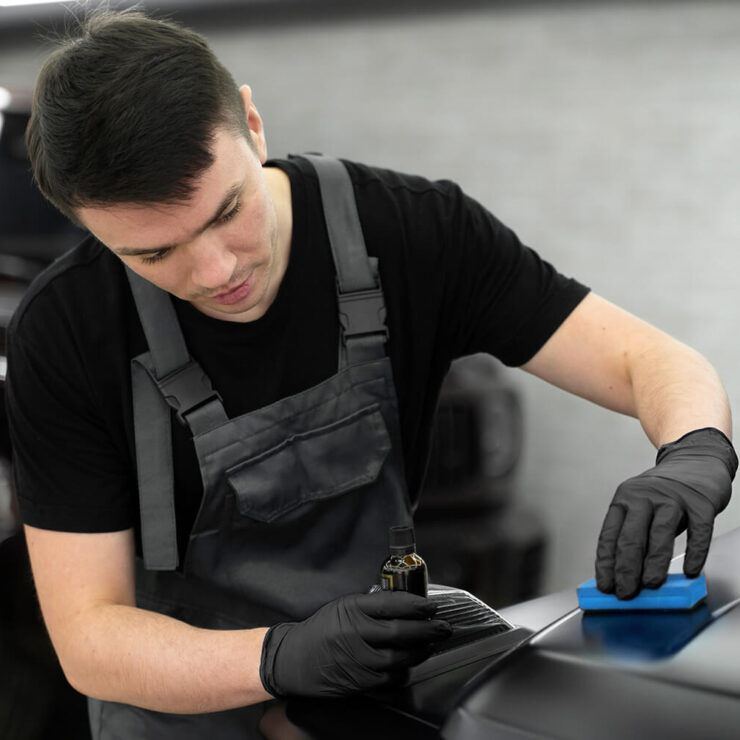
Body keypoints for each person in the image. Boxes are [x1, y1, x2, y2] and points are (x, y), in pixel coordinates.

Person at [8, 8, 736, 739]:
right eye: (154, 254)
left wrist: (695, 448)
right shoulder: (66, 332)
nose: (215, 271)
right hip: (179, 711)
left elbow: (648, 360)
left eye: (227, 212)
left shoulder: (414, 229)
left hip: (373, 688)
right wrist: (280, 658)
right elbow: (90, 639)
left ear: (253, 125)